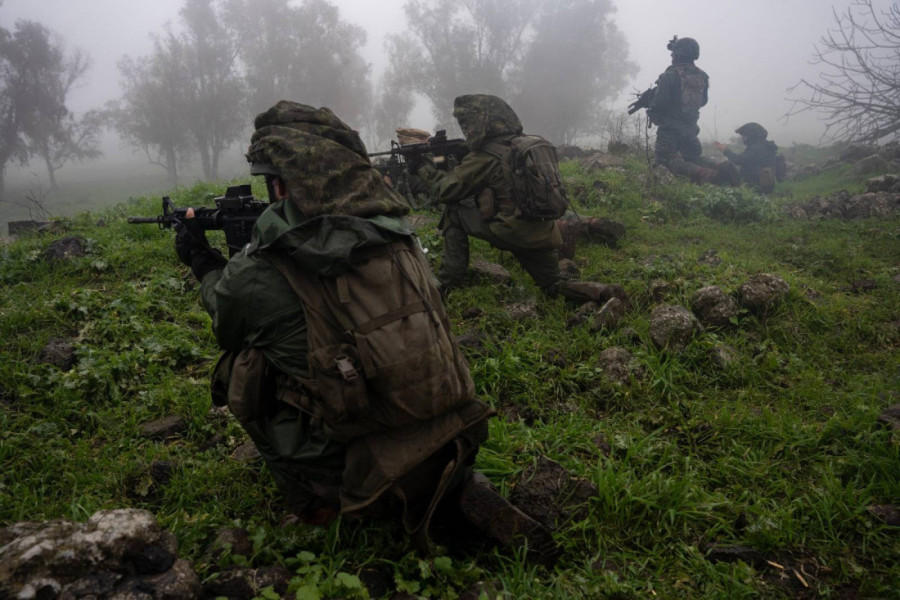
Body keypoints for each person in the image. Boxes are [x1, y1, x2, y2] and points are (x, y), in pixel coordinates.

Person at [172, 100, 557, 561]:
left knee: (239, 367)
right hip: (457, 435)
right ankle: (446, 486)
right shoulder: (399, 234)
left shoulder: (263, 268)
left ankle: (316, 505)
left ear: (281, 184)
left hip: (368, 474)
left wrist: (204, 261)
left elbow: (226, 319)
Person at [413, 94, 612, 304]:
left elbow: (445, 191)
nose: (466, 129)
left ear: (481, 121)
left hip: (512, 232)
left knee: (454, 211)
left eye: (467, 123)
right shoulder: (525, 143)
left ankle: (448, 282)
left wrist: (421, 167)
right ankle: (604, 292)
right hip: (543, 232)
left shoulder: (483, 157)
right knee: (554, 285)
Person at [648, 37, 737, 185]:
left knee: (664, 162)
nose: (672, 56)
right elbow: (703, 101)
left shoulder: (670, 76)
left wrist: (651, 104)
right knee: (692, 158)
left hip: (670, 130)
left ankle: (707, 174)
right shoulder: (702, 76)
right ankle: (720, 165)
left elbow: (659, 103)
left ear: (677, 55)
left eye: (673, 53)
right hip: (690, 127)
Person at [713, 122, 777, 193]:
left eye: (744, 135)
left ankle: (717, 192)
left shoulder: (758, 148)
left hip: (754, 185)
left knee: (726, 166)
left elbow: (738, 160)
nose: (743, 138)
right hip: (757, 182)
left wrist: (725, 150)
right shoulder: (764, 146)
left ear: (751, 135)